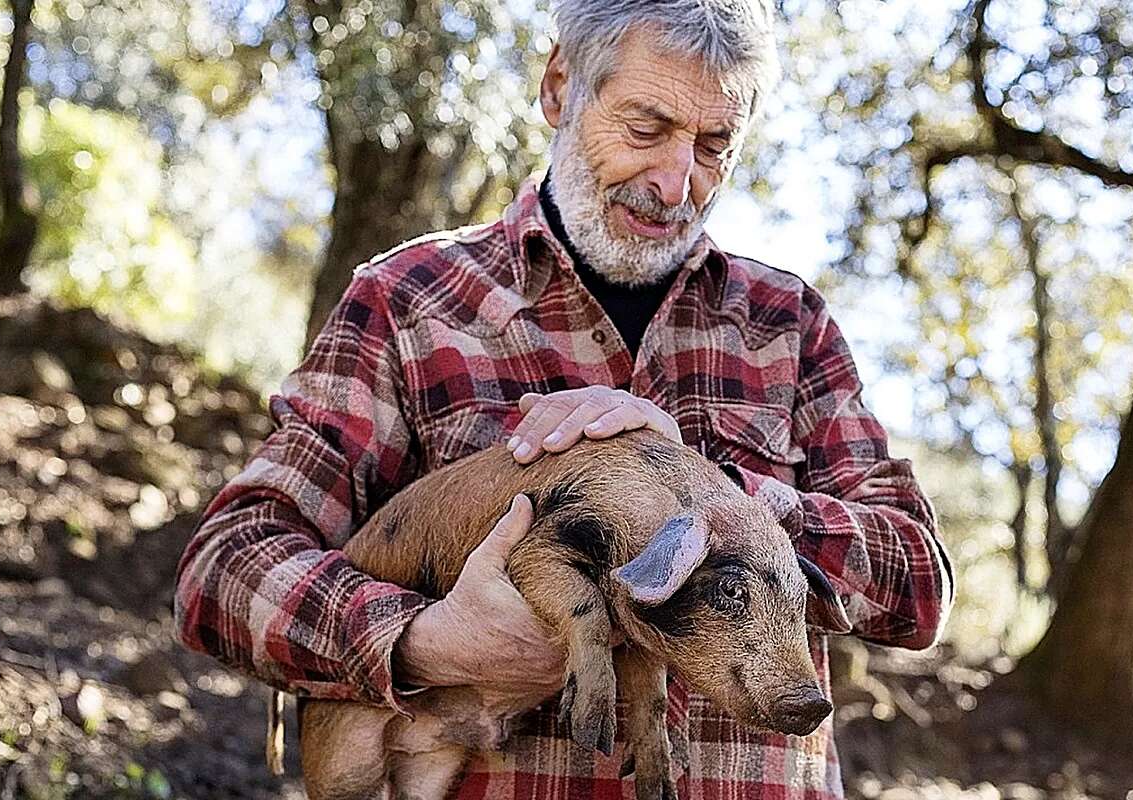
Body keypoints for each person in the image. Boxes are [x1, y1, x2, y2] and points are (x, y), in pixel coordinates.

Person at [174, 0, 955, 796]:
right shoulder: (408, 302)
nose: (676, 183)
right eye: (646, 129)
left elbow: (920, 587)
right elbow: (224, 569)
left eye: (715, 145)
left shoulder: (788, 325)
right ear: (558, 87)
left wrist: (710, 493)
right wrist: (420, 640)